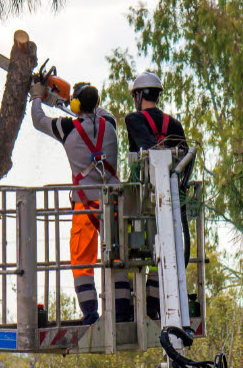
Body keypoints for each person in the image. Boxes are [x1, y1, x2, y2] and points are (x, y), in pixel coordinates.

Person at [30, 81, 132, 325]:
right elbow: (96, 109)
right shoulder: (110, 124)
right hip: (114, 203)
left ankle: (90, 314)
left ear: (75, 105)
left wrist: (37, 96)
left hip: (85, 207)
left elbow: (38, 119)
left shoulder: (66, 128)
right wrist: (73, 100)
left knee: (82, 261)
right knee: (118, 256)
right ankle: (123, 312)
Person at [125, 71, 190, 319]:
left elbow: (140, 153)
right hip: (171, 200)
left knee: (138, 249)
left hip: (145, 197)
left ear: (139, 95)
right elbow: (183, 158)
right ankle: (155, 305)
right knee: (163, 252)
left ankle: (139, 305)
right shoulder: (173, 124)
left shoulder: (134, 120)